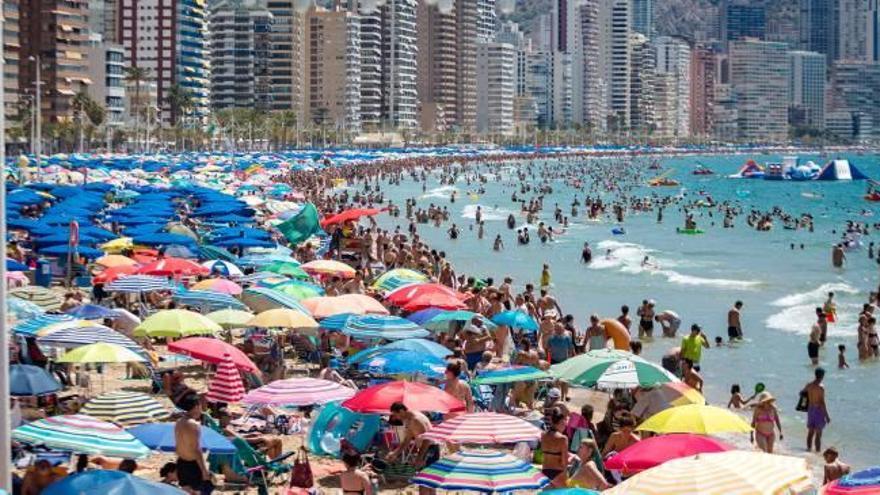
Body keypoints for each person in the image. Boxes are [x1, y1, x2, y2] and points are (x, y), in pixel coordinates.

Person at [175, 394, 212, 495]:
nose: (201, 410)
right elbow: (196, 449)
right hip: (192, 465)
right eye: (200, 406)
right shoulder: (193, 425)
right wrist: (204, 470)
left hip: (181, 462)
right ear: (196, 407)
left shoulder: (179, 422)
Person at [387, 402, 435, 468]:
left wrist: (419, 458)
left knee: (428, 475)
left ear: (401, 411)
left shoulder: (416, 419)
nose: (397, 418)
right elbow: (407, 440)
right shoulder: (408, 420)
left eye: (396, 415)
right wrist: (395, 453)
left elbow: (427, 439)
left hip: (430, 449)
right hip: (425, 449)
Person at [803, 367, 831, 452]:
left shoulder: (808, 385)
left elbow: (802, 393)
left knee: (810, 432)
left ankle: (808, 450)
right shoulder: (821, 387)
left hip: (810, 409)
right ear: (822, 376)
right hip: (818, 410)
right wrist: (827, 416)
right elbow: (822, 403)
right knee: (818, 434)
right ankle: (817, 452)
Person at [540, 409, 570, 488]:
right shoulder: (563, 439)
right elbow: (564, 462)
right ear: (560, 422)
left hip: (545, 472)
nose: (565, 426)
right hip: (558, 473)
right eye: (564, 424)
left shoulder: (543, 435)